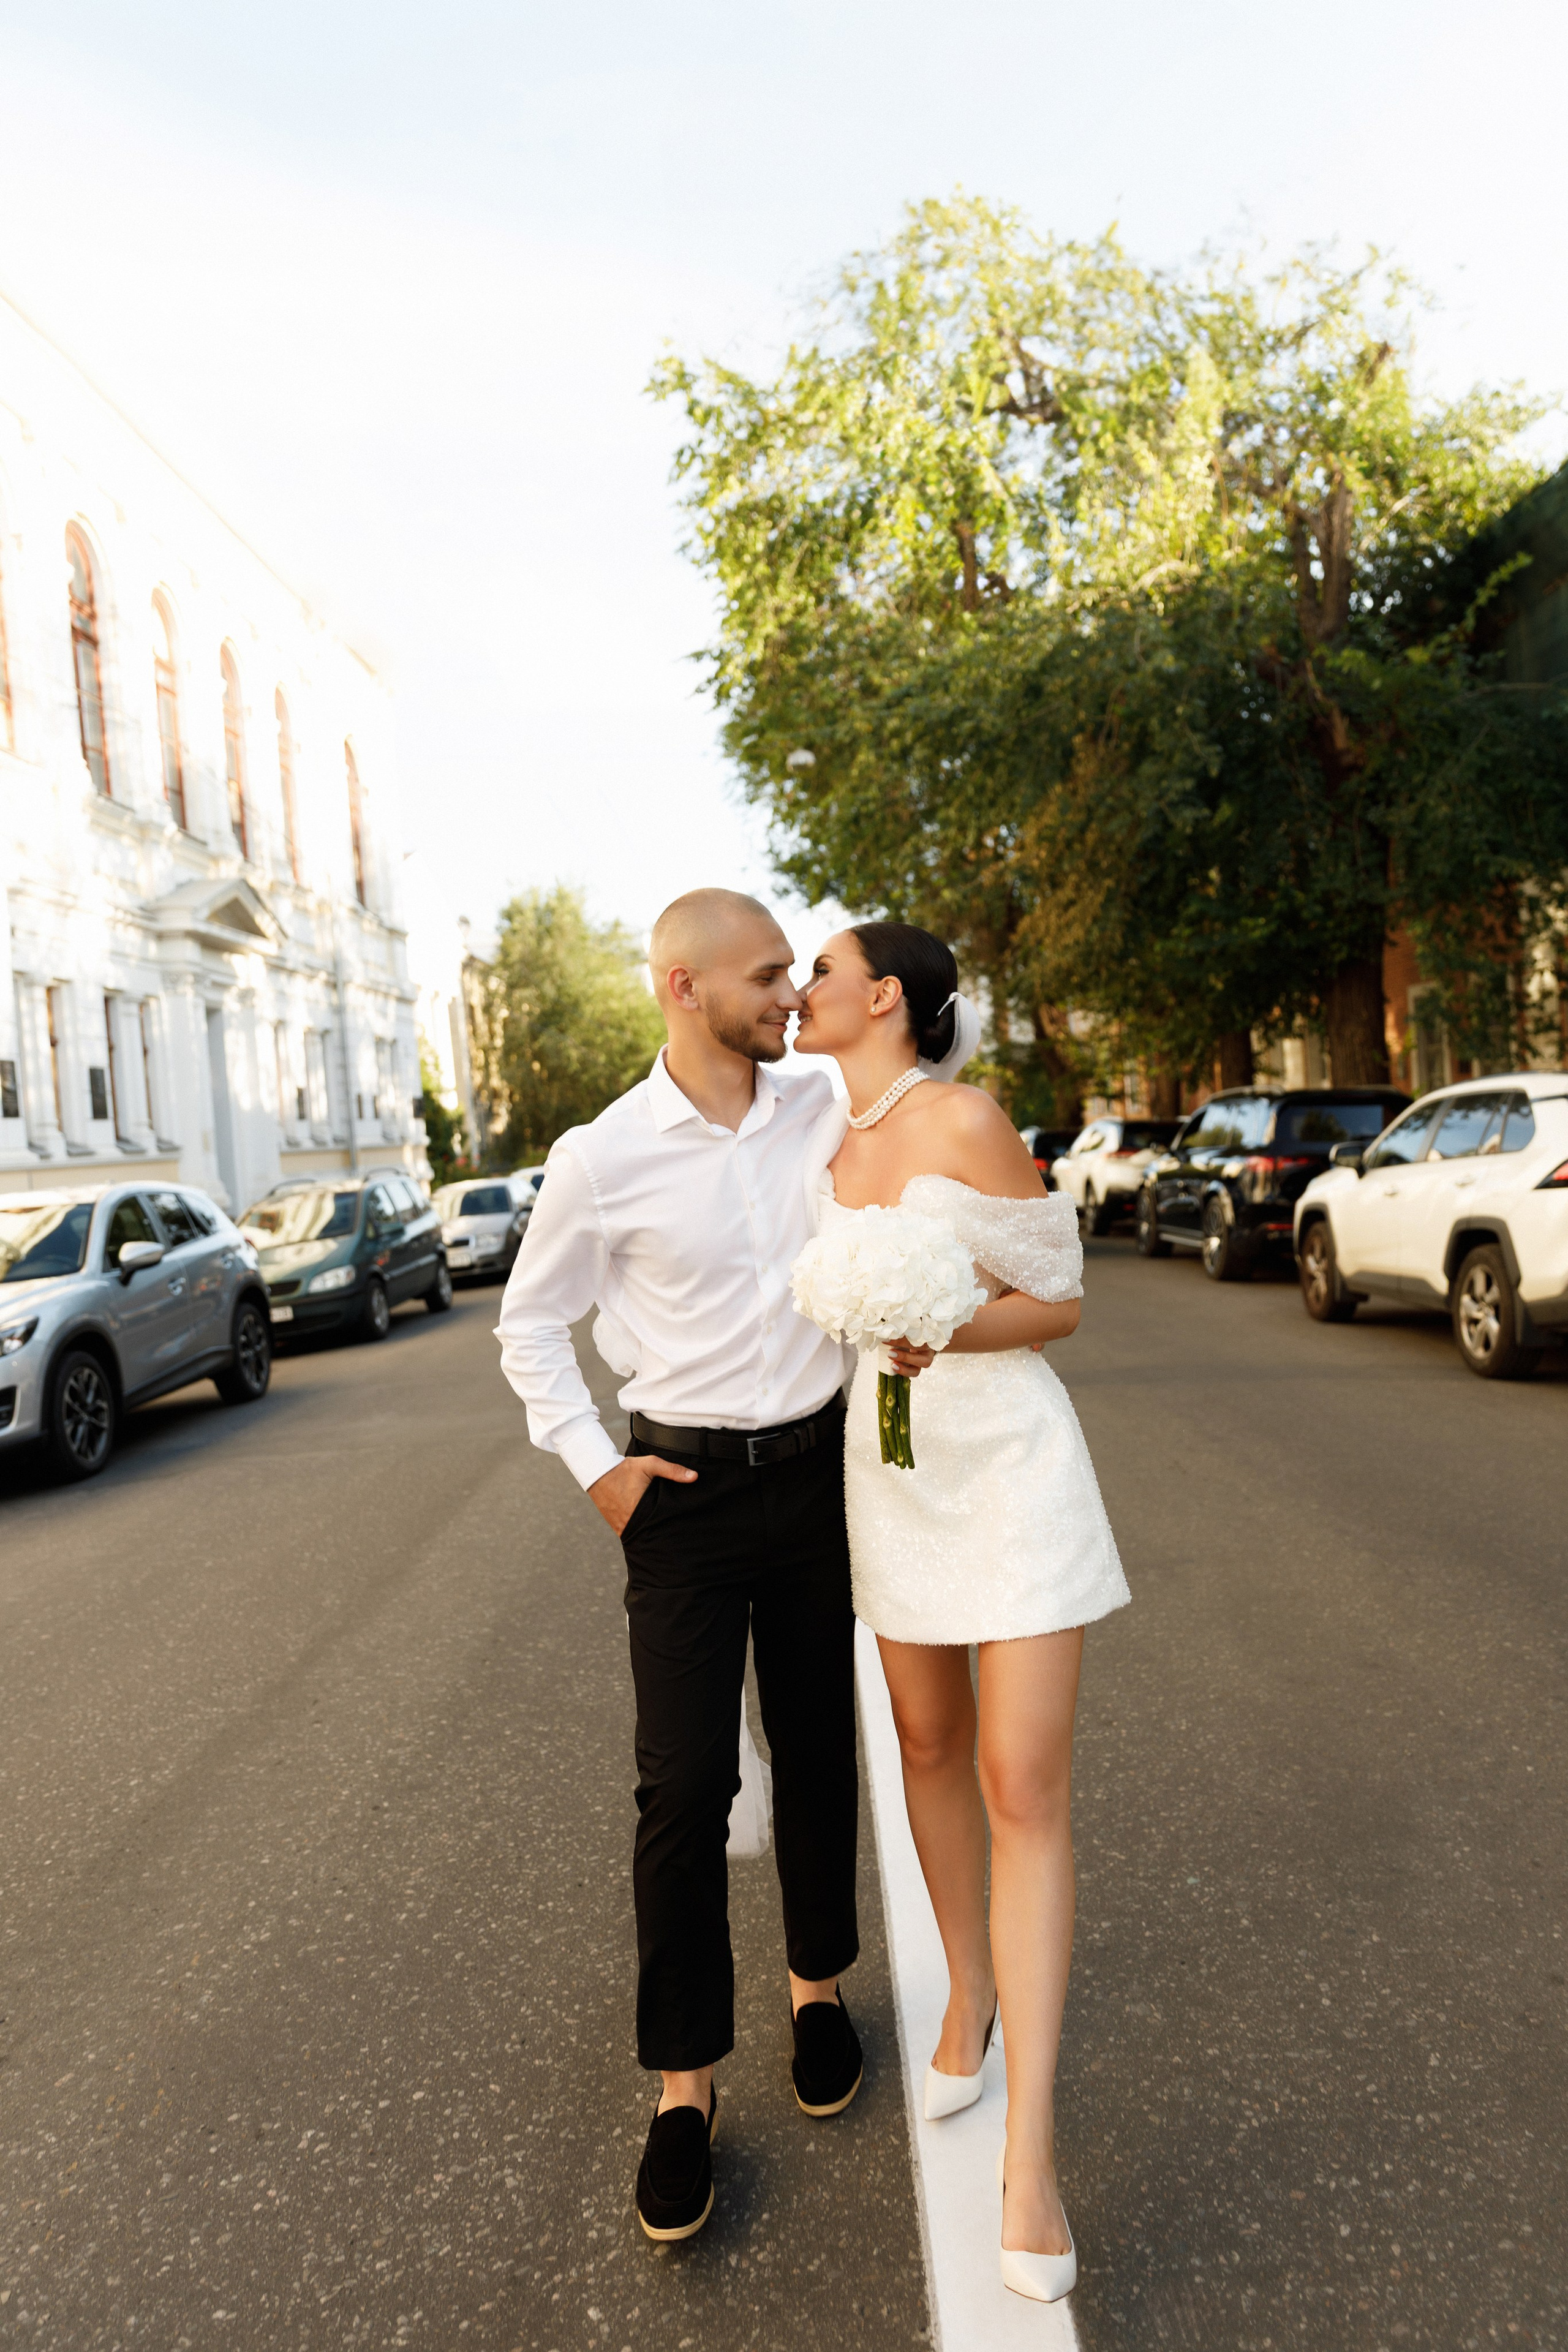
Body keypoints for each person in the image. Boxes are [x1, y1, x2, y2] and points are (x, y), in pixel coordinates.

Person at [496, 888, 863, 2247]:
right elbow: (530, 1328)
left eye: (793, 975)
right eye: (766, 975)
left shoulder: (818, 1104)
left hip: (819, 1480)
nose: (787, 995)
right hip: (686, 1501)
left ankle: (816, 1989)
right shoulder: (601, 1158)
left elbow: (924, 1070)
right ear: (679, 986)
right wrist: (599, 1469)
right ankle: (682, 2087)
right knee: (683, 1788)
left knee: (818, 1750)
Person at [794, 919, 1129, 2306]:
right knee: (925, 1747)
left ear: (885, 997)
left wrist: (948, 1323)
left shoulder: (968, 1117)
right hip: (893, 1472)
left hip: (1008, 1467)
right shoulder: (811, 1136)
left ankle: (1031, 2158)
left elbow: (1055, 1300)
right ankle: (967, 1996)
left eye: (817, 971)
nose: (799, 991)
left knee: (1016, 1777)